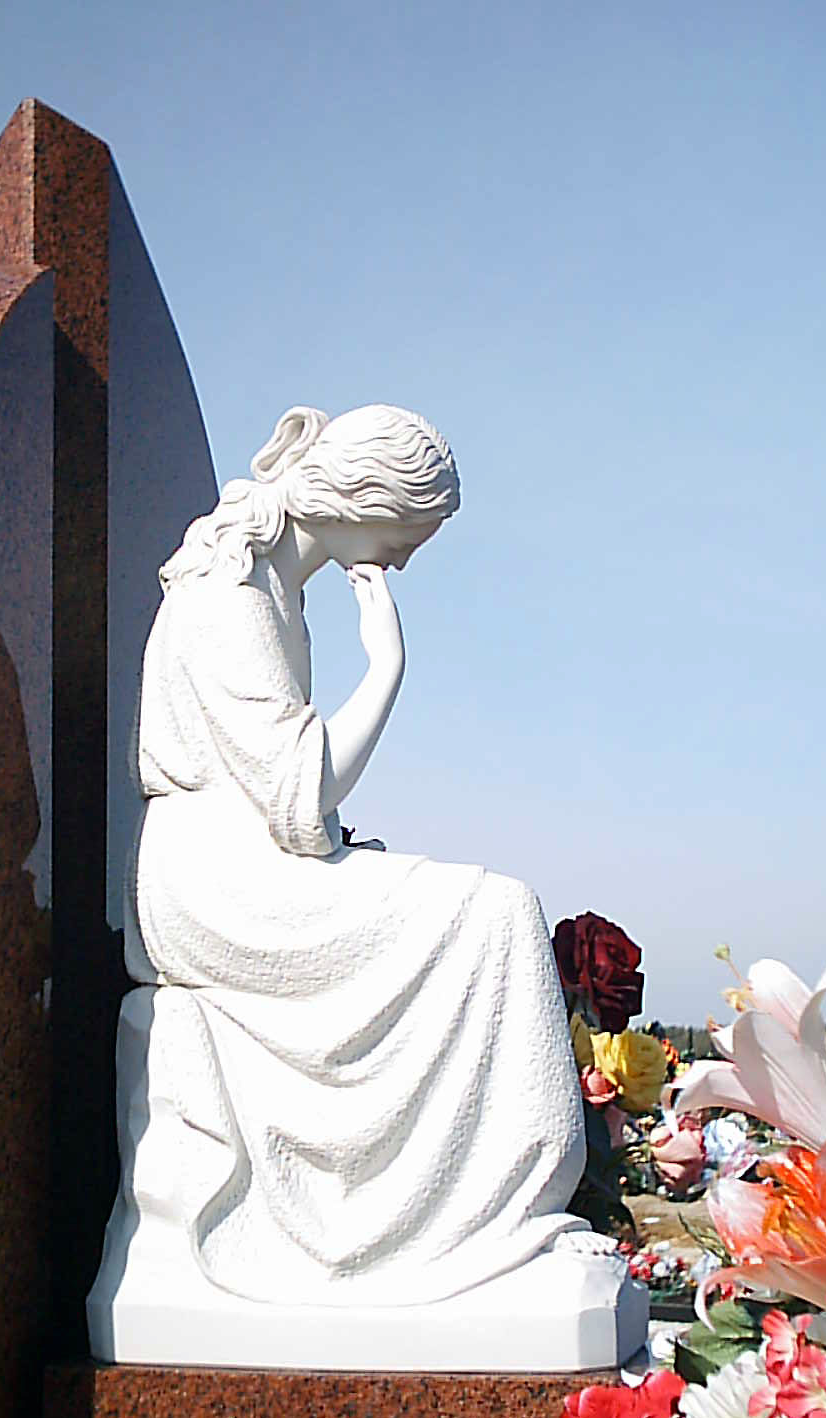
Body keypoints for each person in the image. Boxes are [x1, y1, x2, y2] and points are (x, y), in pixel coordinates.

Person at [110, 404, 591, 1312]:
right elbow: (304, 789)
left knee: (482, 912)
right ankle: (494, 1214)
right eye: (407, 534)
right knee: (496, 916)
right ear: (363, 500)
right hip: (216, 888)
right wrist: (386, 667)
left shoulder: (270, 589)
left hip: (245, 864)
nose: (404, 559)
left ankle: (475, 1211)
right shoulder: (231, 596)